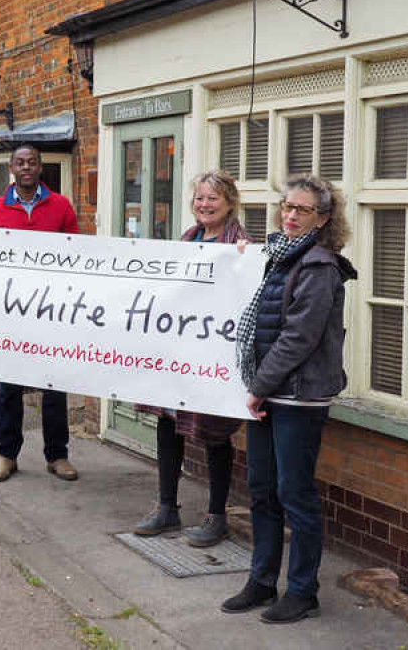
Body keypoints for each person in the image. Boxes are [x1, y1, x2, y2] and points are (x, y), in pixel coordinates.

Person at [222, 175, 355, 624]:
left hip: (298, 397)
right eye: (287, 206)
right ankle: (261, 580)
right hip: (269, 392)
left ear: (323, 220)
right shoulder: (277, 257)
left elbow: (299, 338)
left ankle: (302, 590)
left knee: (294, 494)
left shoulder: (319, 267)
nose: (291, 215)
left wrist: (258, 386)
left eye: (302, 210)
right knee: (261, 490)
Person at [133, 171, 250, 546]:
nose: (204, 205)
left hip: (214, 356)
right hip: (179, 350)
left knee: (214, 433)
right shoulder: (188, 239)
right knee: (167, 423)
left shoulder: (241, 246)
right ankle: (167, 507)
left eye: (212, 199)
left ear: (229, 202)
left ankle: (217, 516)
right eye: (199, 198)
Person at [0, 144, 80, 483]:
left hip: (51, 311)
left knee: (54, 386)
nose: (26, 167)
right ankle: (6, 455)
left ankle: (58, 455)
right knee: (9, 388)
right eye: (20, 162)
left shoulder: (61, 205)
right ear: (11, 167)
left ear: (40, 167)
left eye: (32, 162)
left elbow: (76, 255)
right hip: (11, 312)